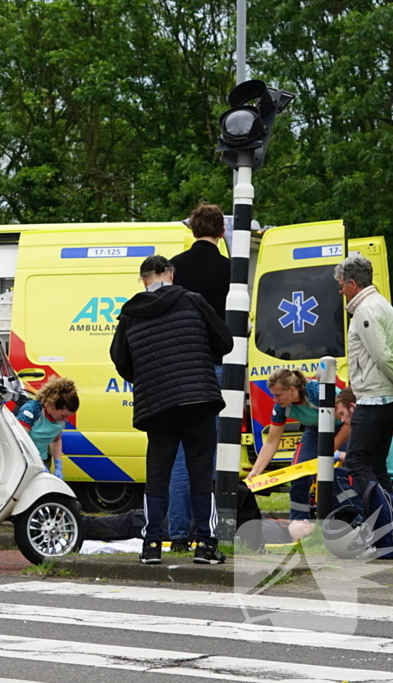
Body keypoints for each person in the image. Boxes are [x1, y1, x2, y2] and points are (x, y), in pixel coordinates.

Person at [110, 255, 233, 565]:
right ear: (171, 275)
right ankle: (205, 545)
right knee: (201, 474)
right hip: (198, 397)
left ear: (143, 280)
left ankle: (152, 545)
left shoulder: (130, 314)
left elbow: (120, 359)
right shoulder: (193, 301)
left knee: (159, 473)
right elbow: (225, 342)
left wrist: (147, 377)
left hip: (157, 404)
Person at [166, 202, 230, 552]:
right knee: (208, 453)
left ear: (192, 230)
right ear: (222, 233)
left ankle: (177, 535)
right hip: (215, 367)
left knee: (177, 454)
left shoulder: (174, 268)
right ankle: (206, 532)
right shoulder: (230, 269)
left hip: (178, 368)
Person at [334, 255, 393, 495]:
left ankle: (383, 520)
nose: (340, 291)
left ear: (353, 284)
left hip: (375, 398)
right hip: (387, 399)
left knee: (356, 461)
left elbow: (383, 356)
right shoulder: (382, 305)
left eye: (341, 285)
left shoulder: (365, 310)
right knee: (376, 465)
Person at [245, 368, 349, 540]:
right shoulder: (280, 407)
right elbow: (271, 441)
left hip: (342, 427)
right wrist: (256, 470)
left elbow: (349, 422)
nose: (274, 399)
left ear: (292, 390)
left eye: (278, 395)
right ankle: (299, 527)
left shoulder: (315, 392)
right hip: (315, 429)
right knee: (298, 474)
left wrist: (328, 451)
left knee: (342, 473)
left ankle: (342, 522)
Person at [334, 388, 393, 508]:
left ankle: (362, 516)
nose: (342, 420)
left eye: (342, 413)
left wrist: (336, 455)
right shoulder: (380, 427)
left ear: (353, 408)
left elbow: (357, 460)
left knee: (337, 476)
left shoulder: (368, 430)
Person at [16, 377, 80, 479]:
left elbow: (56, 440)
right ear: (52, 405)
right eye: (63, 415)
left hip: (42, 461)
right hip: (21, 462)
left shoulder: (60, 420)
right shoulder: (32, 410)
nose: (66, 420)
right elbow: (19, 441)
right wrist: (37, 464)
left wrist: (58, 465)